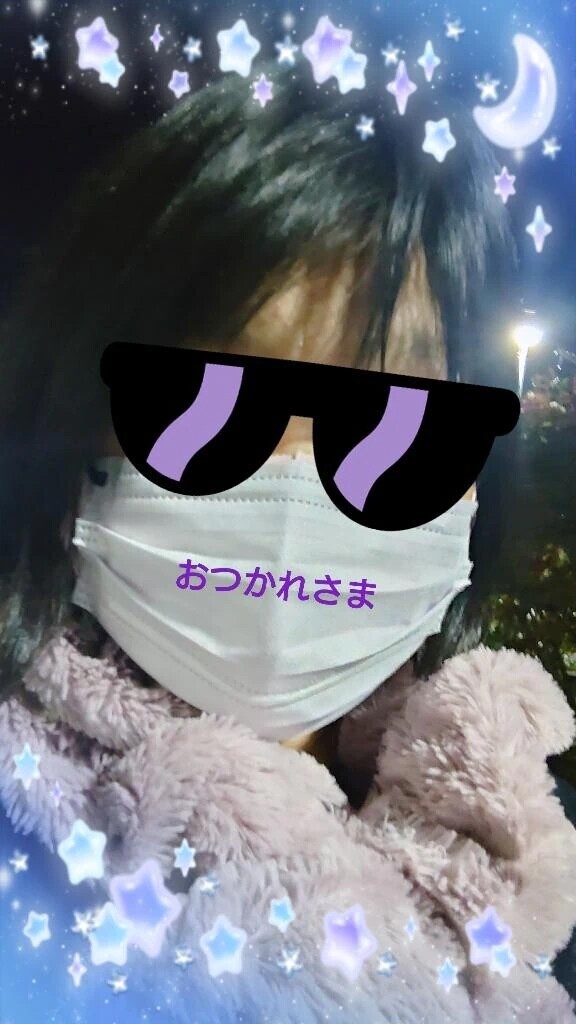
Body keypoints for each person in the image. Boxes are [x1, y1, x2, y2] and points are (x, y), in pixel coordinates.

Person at [0, 64, 575, 1024]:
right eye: (201, 405)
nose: (295, 492)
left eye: (398, 425)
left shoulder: (517, 860)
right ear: (65, 417)